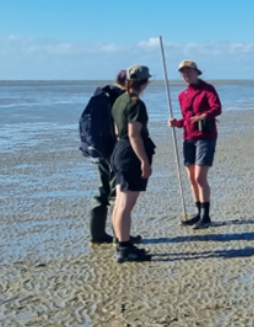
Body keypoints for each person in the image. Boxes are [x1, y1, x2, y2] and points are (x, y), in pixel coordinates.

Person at [79, 70, 137, 245]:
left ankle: (97, 235)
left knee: (103, 190)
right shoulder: (121, 98)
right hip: (114, 150)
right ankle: (120, 236)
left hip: (100, 149)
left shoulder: (102, 96)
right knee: (116, 193)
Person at [167, 59, 222, 229]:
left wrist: (204, 116)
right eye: (183, 72)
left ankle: (206, 216)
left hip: (205, 137)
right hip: (188, 137)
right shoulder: (182, 95)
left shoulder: (208, 89)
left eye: (189, 71)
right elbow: (187, 119)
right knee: (191, 178)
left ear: (197, 72)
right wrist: (177, 123)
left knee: (199, 177)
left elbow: (217, 108)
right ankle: (198, 213)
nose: (186, 74)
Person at [110, 64, 156, 262]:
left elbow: (116, 130)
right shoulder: (136, 103)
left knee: (120, 202)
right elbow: (134, 134)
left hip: (119, 150)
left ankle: (122, 242)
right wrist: (144, 161)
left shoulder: (120, 100)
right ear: (145, 82)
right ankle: (124, 247)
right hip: (130, 154)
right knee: (125, 205)